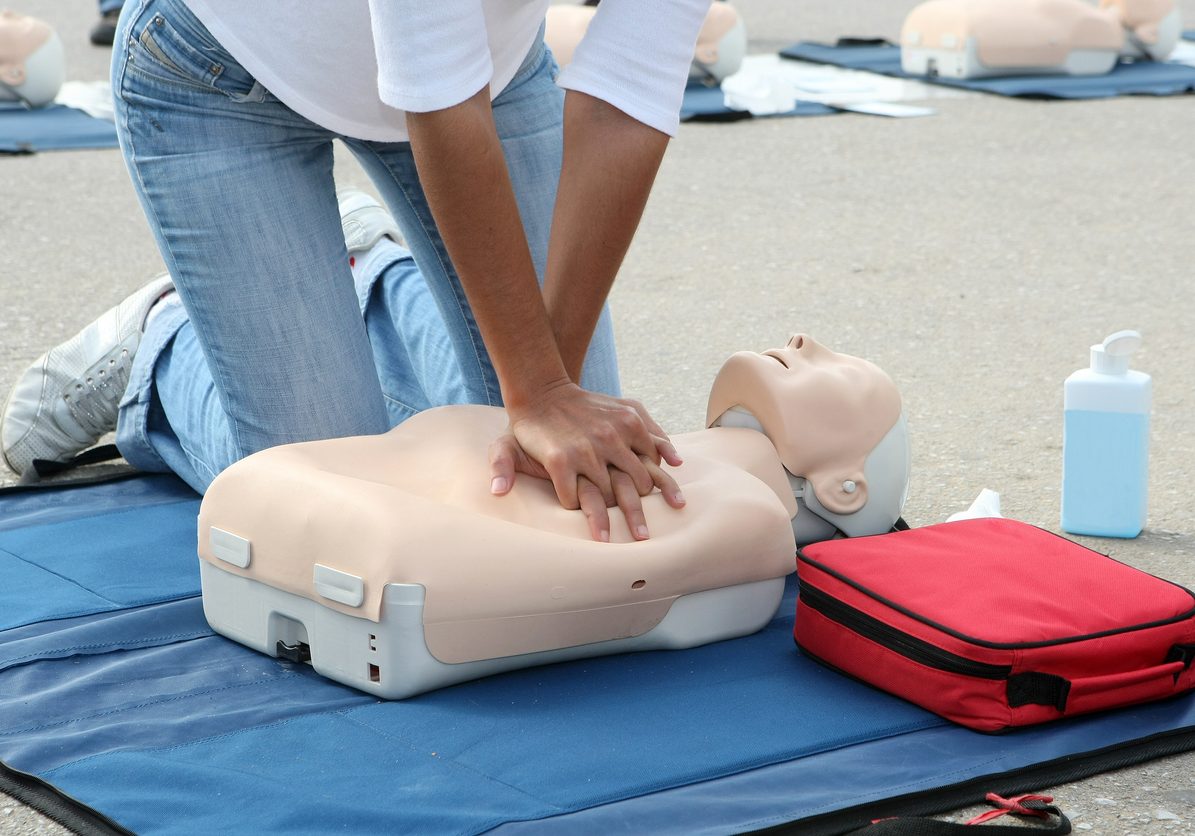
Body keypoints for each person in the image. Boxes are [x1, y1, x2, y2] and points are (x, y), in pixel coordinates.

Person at [2, 0, 711, 542]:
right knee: (334, 516)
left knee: (567, 494)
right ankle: (161, 351)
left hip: (482, 74)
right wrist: (539, 389)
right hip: (219, 75)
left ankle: (366, 276)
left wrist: (553, 388)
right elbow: (438, 100)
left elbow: (627, 100)